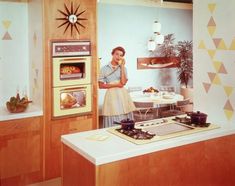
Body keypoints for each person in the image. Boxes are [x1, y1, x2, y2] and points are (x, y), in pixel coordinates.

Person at [98, 46, 136, 128]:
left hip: (123, 94)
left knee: (125, 113)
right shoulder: (104, 69)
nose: (118, 57)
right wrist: (116, 85)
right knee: (112, 112)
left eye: (121, 55)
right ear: (112, 54)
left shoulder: (124, 68)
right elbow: (100, 85)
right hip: (111, 95)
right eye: (117, 54)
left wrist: (122, 66)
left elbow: (122, 83)